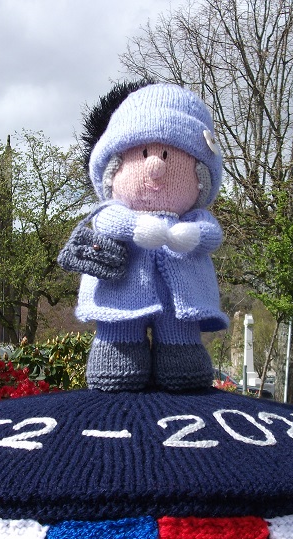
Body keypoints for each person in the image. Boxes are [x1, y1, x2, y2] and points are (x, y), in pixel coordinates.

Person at [73, 82, 228, 391]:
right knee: (119, 329)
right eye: (143, 153)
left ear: (201, 174)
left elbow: (211, 233)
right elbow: (106, 220)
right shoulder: (112, 209)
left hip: (180, 298)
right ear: (113, 169)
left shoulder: (192, 216)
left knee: (179, 331)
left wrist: (193, 234)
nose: (155, 165)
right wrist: (134, 228)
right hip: (122, 289)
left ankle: (181, 352)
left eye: (168, 155)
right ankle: (118, 352)